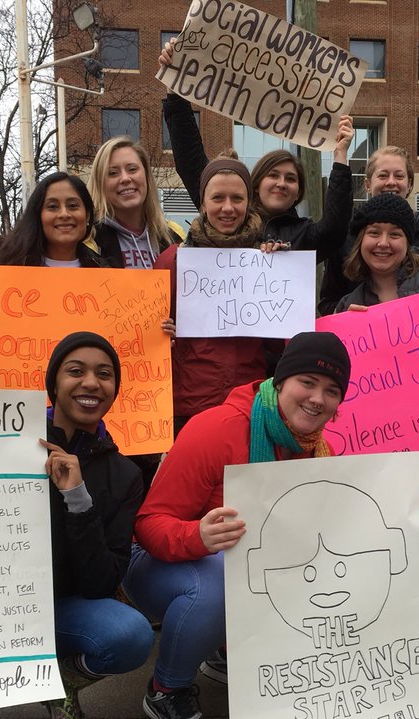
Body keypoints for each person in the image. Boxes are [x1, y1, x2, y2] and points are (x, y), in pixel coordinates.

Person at [122, 331, 351, 719]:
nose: (318, 398)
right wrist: (198, 535)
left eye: (332, 391)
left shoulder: (320, 452)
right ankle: (166, 690)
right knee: (220, 579)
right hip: (158, 564)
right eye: (307, 382)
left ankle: (221, 647)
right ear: (280, 381)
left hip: (231, 567)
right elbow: (148, 524)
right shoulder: (216, 429)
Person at [0, 333, 155, 719]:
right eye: (76, 371)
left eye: (104, 374)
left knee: (130, 635)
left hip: (57, 608)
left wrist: (78, 498)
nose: (91, 383)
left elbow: (101, 584)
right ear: (53, 383)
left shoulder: (124, 475)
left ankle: (58, 687)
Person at [158, 39, 355, 259]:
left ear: (298, 192)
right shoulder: (230, 215)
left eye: (291, 179)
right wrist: (175, 91)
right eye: (273, 175)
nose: (281, 183)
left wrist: (340, 155)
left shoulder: (302, 236)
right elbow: (189, 158)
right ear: (256, 185)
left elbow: (335, 229)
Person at [153, 158, 286, 432]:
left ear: (249, 203)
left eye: (237, 198)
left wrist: (283, 276)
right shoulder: (173, 260)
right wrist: (163, 333)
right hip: (188, 408)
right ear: (203, 203)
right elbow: (148, 340)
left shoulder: (269, 260)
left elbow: (279, 346)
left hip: (249, 406)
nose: (228, 208)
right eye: (218, 198)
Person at [319, 145, 419, 315]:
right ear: (367, 184)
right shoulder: (344, 235)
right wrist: (345, 315)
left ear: (410, 184)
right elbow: (328, 302)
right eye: (382, 175)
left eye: (399, 176)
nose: (391, 182)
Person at [333, 193, 419, 315]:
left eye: (394, 234)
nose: (383, 243)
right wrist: (345, 324)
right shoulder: (345, 307)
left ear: (407, 244)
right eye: (374, 233)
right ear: (360, 241)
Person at [87, 137, 184, 269]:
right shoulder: (89, 238)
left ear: (146, 176)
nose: (125, 178)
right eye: (113, 173)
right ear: (100, 184)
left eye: (132, 169)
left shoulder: (174, 235)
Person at [0, 172, 101, 268]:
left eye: (72, 205)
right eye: (53, 206)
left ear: (87, 215)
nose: (64, 214)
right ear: (38, 215)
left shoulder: (105, 271)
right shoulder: (5, 271)